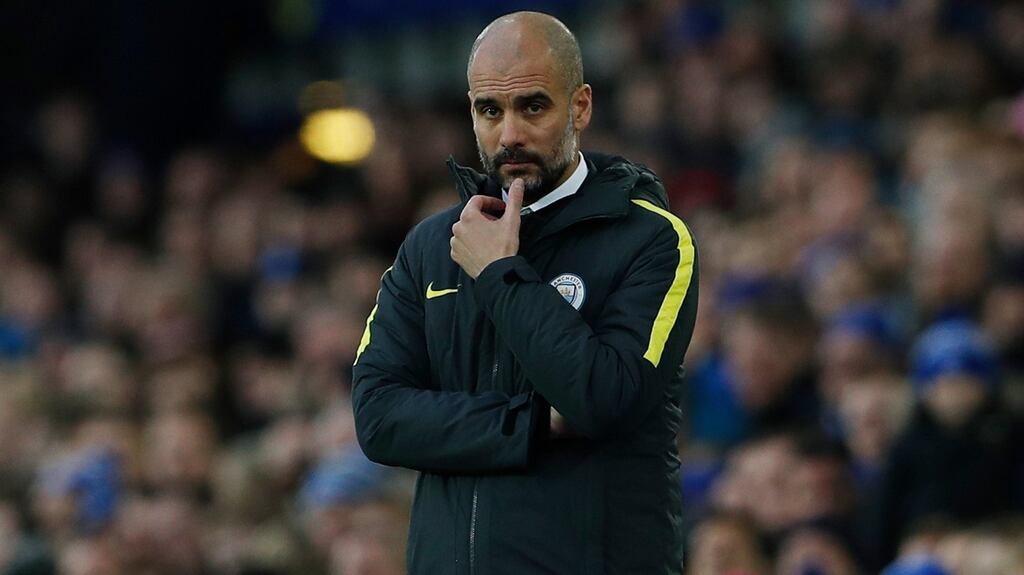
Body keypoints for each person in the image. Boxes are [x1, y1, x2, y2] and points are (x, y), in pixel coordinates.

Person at [350, 11, 699, 574]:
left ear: (580, 106)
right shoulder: (431, 245)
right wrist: (533, 424)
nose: (509, 134)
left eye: (532, 106)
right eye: (491, 110)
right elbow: (378, 417)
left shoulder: (652, 238)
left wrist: (498, 274)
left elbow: (603, 399)